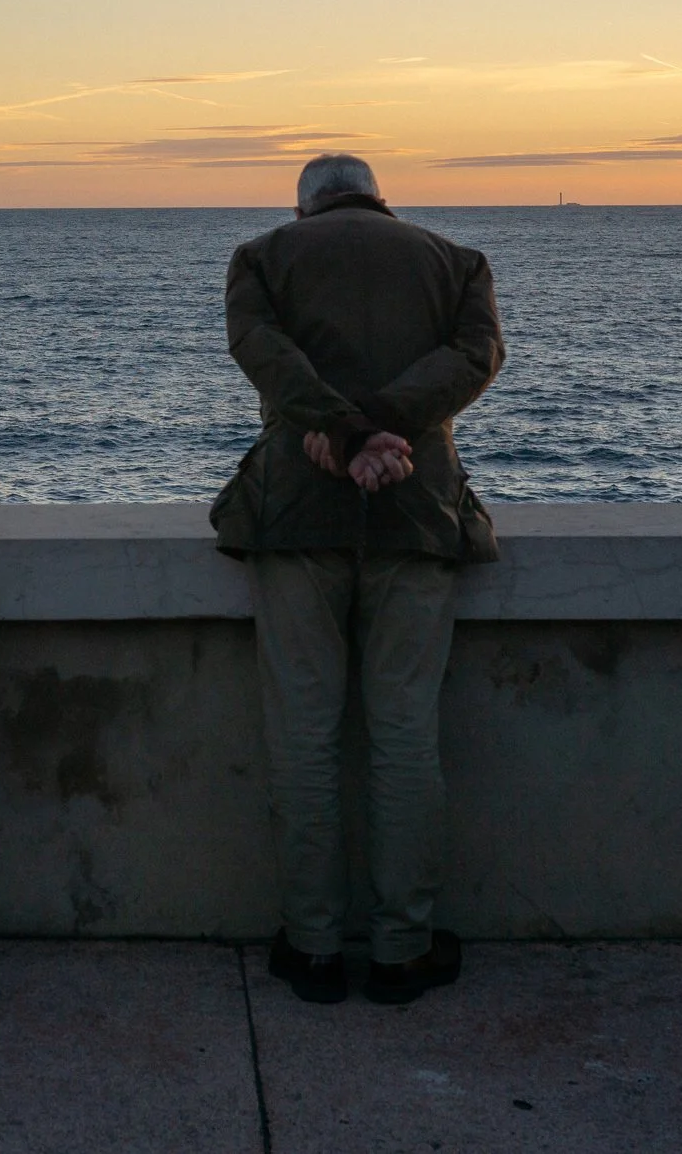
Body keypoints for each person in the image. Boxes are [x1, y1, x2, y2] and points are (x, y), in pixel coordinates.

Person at [212, 153, 504, 1005]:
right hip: (416, 512)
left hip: (296, 515)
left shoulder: (262, 257)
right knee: (405, 736)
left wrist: (340, 432)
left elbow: (262, 353)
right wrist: (380, 429)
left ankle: (311, 948)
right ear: (381, 199)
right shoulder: (457, 262)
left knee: (304, 739)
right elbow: (478, 354)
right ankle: (402, 949)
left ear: (302, 207)